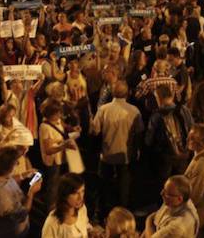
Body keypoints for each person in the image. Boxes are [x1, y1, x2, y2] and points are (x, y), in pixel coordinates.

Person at [91, 80, 144, 216]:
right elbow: (139, 132)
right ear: (127, 93)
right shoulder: (134, 111)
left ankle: (99, 211)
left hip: (107, 152)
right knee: (123, 185)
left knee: (102, 183)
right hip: (125, 153)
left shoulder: (103, 109)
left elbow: (95, 131)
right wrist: (136, 149)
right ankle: (122, 211)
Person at [0, 147, 42, 238]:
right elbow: (22, 213)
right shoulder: (2, 196)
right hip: (10, 232)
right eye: (16, 163)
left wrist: (23, 175)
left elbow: (6, 179)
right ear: (8, 167)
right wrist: (31, 193)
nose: (18, 164)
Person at [41, 173, 90, 238]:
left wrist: (92, 232)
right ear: (65, 195)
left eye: (82, 191)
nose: (80, 197)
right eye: (76, 193)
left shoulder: (82, 209)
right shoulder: (53, 222)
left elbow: (85, 224)